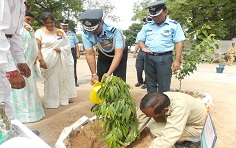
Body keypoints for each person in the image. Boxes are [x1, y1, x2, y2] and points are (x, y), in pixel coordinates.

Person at [138, 0, 186, 93]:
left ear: (165, 11)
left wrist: (177, 60)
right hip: (149, 58)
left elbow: (178, 43)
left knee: (164, 85)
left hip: (165, 58)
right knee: (150, 84)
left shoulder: (174, 25)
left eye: (158, 15)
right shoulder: (147, 25)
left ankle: (163, 106)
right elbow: (141, 40)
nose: (155, 18)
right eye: (153, 16)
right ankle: (152, 105)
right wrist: (143, 47)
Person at [35, 12, 77, 108]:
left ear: (54, 21)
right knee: (50, 81)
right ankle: (51, 102)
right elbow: (37, 48)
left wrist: (61, 49)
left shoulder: (60, 32)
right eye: (47, 22)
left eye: (51, 22)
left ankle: (62, 99)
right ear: (43, 22)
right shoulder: (39, 32)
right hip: (47, 60)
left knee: (62, 78)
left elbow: (67, 45)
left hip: (60, 60)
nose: (50, 25)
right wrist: (41, 60)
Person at [10, 12, 45, 123]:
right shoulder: (11, 25)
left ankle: (20, 116)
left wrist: (30, 60)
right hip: (18, 63)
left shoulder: (26, 27)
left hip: (21, 63)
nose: (29, 21)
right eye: (27, 18)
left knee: (24, 88)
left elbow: (32, 46)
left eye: (30, 20)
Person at [138, 92, 206, 148]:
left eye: (150, 115)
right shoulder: (158, 101)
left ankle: (193, 139)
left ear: (165, 110)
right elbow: (142, 119)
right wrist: (129, 138)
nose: (147, 116)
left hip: (195, 127)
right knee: (155, 121)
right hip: (184, 119)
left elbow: (170, 134)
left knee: (155, 129)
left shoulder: (179, 108)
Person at [79, 9, 128, 85]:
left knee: (119, 80)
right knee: (100, 78)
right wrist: (94, 74)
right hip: (103, 52)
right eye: (90, 30)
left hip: (119, 52)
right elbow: (89, 54)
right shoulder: (86, 34)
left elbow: (118, 54)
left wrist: (109, 73)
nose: (92, 32)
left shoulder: (114, 29)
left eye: (95, 29)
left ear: (102, 23)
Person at [0, 0, 31, 120]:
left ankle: (9, 130)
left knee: (4, 95)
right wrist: (10, 70)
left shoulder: (21, 3)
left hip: (3, 48)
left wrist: (20, 61)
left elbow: (14, 34)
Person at [59, 19, 80, 87]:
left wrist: (77, 53)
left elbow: (76, 43)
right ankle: (63, 83)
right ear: (60, 25)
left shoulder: (72, 33)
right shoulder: (57, 33)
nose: (65, 27)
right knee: (62, 67)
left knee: (73, 67)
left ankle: (74, 82)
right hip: (62, 51)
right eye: (63, 25)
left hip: (72, 51)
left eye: (66, 26)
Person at [133, 17, 152, 89]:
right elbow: (138, 43)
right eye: (145, 23)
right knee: (139, 67)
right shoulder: (140, 33)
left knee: (147, 68)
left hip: (149, 51)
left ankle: (146, 83)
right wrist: (135, 52)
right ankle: (140, 81)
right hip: (141, 52)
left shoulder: (152, 32)